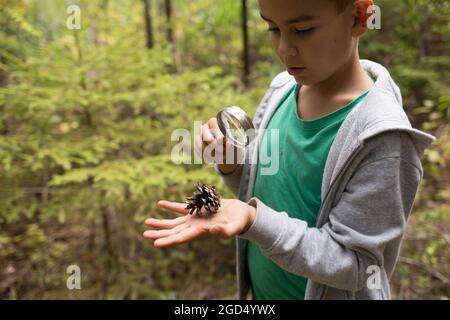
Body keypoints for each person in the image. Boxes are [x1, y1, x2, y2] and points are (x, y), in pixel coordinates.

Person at [143, 0, 436, 300]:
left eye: (302, 30)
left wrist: (255, 221)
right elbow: (268, 185)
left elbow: (357, 265)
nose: (284, 48)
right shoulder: (282, 91)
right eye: (273, 28)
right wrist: (231, 162)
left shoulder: (383, 139)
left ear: (360, 17)